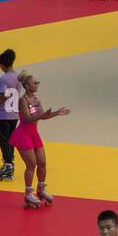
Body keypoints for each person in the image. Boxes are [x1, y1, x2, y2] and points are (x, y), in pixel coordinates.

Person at [10, 71, 70, 208]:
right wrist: (42, 115)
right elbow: (26, 118)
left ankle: (41, 189)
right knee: (31, 165)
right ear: (26, 86)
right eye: (34, 83)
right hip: (23, 135)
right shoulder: (22, 100)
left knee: (42, 163)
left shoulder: (36, 99)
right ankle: (28, 193)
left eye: (38, 82)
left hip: (34, 134)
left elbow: (42, 116)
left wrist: (55, 113)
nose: (37, 84)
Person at [0, 48, 21, 181]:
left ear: (2, 65)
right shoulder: (18, 77)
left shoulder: (3, 79)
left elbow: (4, 96)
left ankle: (8, 165)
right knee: (11, 140)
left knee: (3, 140)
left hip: (3, 115)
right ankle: (9, 163)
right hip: (14, 114)